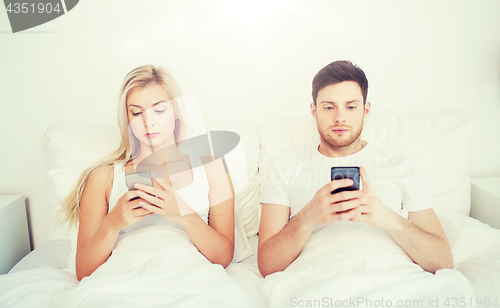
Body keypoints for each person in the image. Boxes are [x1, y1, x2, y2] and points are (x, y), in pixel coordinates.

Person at [257, 60, 453, 277]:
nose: (340, 117)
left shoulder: (399, 166)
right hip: (315, 282)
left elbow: (442, 260)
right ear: (314, 111)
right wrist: (308, 217)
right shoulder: (285, 166)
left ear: (365, 109)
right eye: (329, 107)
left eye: (351, 106)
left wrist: (389, 219)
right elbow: (267, 265)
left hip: (394, 279)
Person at [58, 65, 235, 281]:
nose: (148, 122)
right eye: (137, 112)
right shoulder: (103, 178)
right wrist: (112, 223)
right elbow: (83, 271)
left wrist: (182, 213)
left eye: (159, 110)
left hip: (189, 277)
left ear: (176, 111)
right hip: (121, 279)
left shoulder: (211, 169)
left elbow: (224, 256)